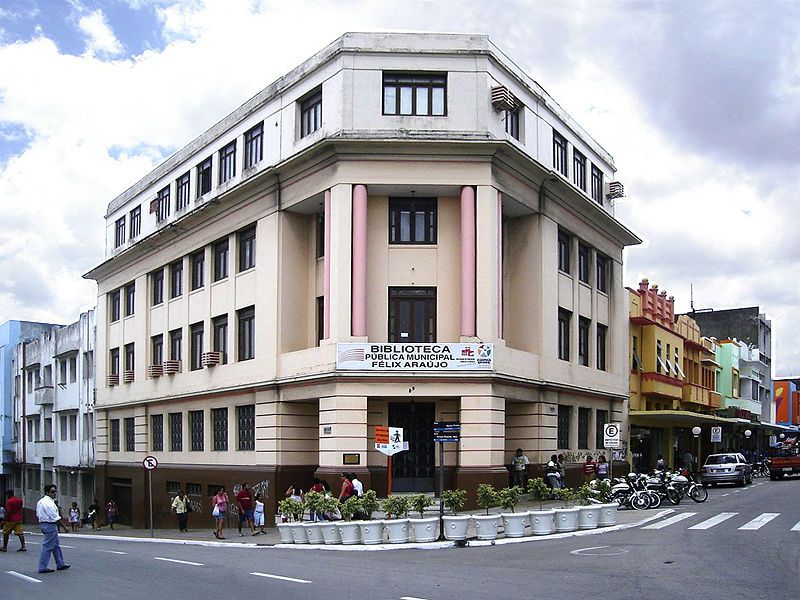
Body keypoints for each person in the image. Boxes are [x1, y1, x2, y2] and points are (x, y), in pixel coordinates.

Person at [36, 484, 69, 573]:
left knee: (55, 545)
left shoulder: (41, 501)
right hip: (49, 524)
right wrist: (64, 527)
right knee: (47, 546)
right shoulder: (48, 503)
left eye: (55, 491)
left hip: (44, 524)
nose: (54, 493)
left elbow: (37, 514)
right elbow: (55, 517)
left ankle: (60, 563)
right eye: (52, 491)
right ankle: (42, 566)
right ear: (47, 492)